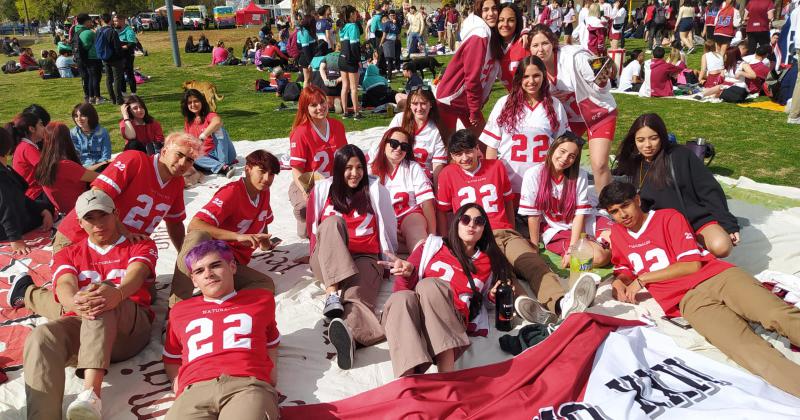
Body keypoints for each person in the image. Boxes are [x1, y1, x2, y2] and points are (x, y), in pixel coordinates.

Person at [599, 181, 800, 398]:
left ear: (637, 200)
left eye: (625, 206)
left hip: (717, 277)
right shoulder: (617, 233)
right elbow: (625, 266)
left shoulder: (667, 217)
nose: (622, 214)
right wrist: (619, 280)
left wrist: (643, 280)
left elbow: (691, 265)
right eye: (615, 212)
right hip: (686, 300)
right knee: (745, 350)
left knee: (776, 314)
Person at [13, 189, 156, 420]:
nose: (98, 224)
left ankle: (90, 396)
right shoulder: (69, 253)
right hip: (86, 329)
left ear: (115, 214)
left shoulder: (138, 243)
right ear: (80, 222)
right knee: (41, 336)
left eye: (103, 215)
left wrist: (117, 294)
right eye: (90, 218)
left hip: (129, 329)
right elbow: (64, 285)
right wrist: (75, 302)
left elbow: (137, 276)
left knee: (100, 294)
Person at [436, 129, 596, 325]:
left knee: (532, 262)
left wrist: (512, 229)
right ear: (451, 156)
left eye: (468, 151)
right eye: (457, 154)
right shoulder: (447, 174)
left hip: (502, 231)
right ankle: (525, 304)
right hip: (473, 237)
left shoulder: (496, 166)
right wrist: (448, 240)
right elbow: (445, 212)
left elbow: (508, 202)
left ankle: (561, 302)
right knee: (501, 272)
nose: (464, 158)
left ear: (478, 149)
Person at [381, 203, 511, 377]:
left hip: (452, 317)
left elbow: (483, 301)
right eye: (466, 220)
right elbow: (401, 291)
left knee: (428, 285)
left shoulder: (489, 261)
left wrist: (493, 295)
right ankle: (408, 382)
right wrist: (408, 274)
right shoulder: (431, 246)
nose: (471, 225)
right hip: (416, 316)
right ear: (456, 222)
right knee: (400, 299)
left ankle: (446, 375)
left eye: (478, 221)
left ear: (484, 229)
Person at [163, 240, 281, 419]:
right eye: (199, 271)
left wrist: (270, 375)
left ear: (232, 266)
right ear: (193, 279)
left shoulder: (260, 299)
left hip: (246, 385)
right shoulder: (179, 311)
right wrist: (178, 386)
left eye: (215, 265)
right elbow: (172, 357)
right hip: (193, 390)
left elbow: (271, 342)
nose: (208, 274)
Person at [306, 145, 396, 370]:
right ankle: (332, 296)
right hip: (328, 259)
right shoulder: (322, 190)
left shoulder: (375, 189)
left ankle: (349, 336)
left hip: (364, 257)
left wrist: (389, 257)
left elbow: (389, 226)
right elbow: (312, 229)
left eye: (359, 168)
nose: (354, 173)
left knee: (355, 295)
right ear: (337, 169)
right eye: (348, 168)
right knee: (332, 223)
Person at [613, 113, 739, 257]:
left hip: (693, 219)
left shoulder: (681, 155)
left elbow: (709, 190)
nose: (647, 145)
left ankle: (695, 246)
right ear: (634, 141)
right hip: (662, 226)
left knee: (721, 246)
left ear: (662, 137)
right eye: (640, 140)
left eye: (653, 138)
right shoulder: (633, 163)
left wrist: (728, 223)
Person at [53, 132, 201, 254]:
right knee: (82, 288)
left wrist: (185, 256)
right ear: (164, 150)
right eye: (179, 155)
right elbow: (96, 197)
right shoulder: (135, 160)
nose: (183, 163)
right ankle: (30, 289)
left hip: (119, 247)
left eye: (189, 160)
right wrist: (125, 233)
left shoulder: (177, 182)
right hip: (79, 237)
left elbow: (175, 223)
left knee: (141, 283)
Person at [169, 150, 279, 307]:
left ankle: (210, 302)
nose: (267, 179)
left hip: (232, 263)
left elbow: (264, 219)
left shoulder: (263, 192)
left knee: (265, 285)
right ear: (247, 169)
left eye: (272, 174)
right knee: (197, 236)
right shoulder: (232, 192)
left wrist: (265, 243)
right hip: (212, 256)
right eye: (262, 172)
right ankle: (176, 308)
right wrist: (237, 236)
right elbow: (195, 225)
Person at [528, 24, 617, 194]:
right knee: (559, 160)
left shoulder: (574, 57)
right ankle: (562, 199)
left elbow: (600, 73)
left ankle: (608, 207)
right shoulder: (535, 67)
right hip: (571, 119)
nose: (540, 49)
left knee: (599, 164)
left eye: (545, 43)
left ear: (553, 43)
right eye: (535, 45)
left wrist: (603, 77)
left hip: (599, 114)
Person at [480, 55, 569, 198]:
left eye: (536, 76)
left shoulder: (555, 105)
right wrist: (493, 179)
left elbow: (563, 147)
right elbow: (492, 146)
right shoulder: (504, 103)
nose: (531, 81)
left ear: (544, 76)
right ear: (519, 78)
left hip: (542, 184)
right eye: (526, 76)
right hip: (509, 184)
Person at [519, 133, 611, 268]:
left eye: (572, 156)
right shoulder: (533, 174)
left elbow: (580, 215)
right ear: (552, 148)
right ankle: (603, 250)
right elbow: (533, 215)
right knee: (599, 257)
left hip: (586, 221)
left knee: (621, 238)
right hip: (557, 228)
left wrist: (572, 248)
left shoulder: (580, 175)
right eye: (562, 151)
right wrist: (534, 247)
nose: (564, 159)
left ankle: (603, 247)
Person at [435, 0, 502, 139]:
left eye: (494, 9)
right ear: (479, 11)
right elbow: (471, 78)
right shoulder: (479, 36)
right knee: (450, 147)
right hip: (451, 99)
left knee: (483, 145)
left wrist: (525, 31)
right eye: (486, 9)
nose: (491, 13)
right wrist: (474, 109)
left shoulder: (492, 34)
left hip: (466, 101)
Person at [288, 85, 349, 239]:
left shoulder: (337, 126)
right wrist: (305, 190)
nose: (320, 107)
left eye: (322, 102)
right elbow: (296, 169)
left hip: (333, 182)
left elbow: (345, 159)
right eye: (313, 105)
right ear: (305, 108)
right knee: (305, 218)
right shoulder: (301, 132)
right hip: (309, 182)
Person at [369, 127, 435, 252]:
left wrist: (432, 236)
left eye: (404, 146)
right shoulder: (370, 170)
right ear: (384, 144)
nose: (399, 148)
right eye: (394, 143)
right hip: (381, 220)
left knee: (415, 227)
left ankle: (421, 255)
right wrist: (388, 227)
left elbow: (426, 202)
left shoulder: (412, 167)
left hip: (408, 215)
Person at [0, 128, 53, 255]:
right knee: (47, 205)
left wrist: (41, 210)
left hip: (13, 213)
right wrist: (15, 239)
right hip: (6, 227)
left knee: (45, 206)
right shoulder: (2, 177)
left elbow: (18, 196)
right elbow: (7, 208)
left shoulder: (4, 170)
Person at [380, 87, 446, 181]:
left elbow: (437, 164)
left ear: (430, 104)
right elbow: (384, 148)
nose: (419, 108)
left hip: (423, 178)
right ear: (409, 105)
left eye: (423, 103)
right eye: (415, 104)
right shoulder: (400, 119)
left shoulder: (436, 129)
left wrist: (436, 192)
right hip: (397, 171)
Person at [34, 122, 98, 215]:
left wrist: (102, 163)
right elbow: (101, 178)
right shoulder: (65, 165)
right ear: (67, 139)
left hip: (64, 211)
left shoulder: (45, 163)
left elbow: (82, 172)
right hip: (82, 210)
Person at [182, 89, 236, 176]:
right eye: (190, 102)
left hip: (224, 153)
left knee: (219, 129)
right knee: (191, 155)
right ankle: (222, 167)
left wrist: (203, 136)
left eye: (196, 101)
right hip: (206, 157)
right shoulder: (188, 122)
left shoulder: (209, 115)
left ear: (202, 102)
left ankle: (223, 163)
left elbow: (217, 122)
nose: (193, 105)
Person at [6, 111, 46, 202]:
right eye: (41, 125)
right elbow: (47, 169)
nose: (44, 128)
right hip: (36, 195)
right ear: (32, 129)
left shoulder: (24, 146)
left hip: (33, 194)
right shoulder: (27, 148)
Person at [338, 5, 363, 119]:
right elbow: (354, 46)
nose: (357, 15)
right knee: (353, 88)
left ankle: (345, 112)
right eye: (355, 13)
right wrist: (358, 60)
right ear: (351, 14)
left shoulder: (342, 26)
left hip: (342, 58)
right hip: (351, 59)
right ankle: (357, 113)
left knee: (345, 86)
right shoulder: (353, 26)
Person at [70, 102, 111, 171]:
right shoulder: (73, 133)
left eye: (82, 115)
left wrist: (95, 166)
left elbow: (106, 156)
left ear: (90, 116)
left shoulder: (103, 132)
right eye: (76, 116)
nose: (79, 119)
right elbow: (74, 157)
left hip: (100, 166)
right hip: (81, 169)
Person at [73, 13, 104, 104]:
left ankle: (90, 97)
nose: (91, 22)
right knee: (95, 78)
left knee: (88, 78)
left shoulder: (76, 30)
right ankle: (97, 97)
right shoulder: (88, 32)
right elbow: (88, 45)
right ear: (86, 21)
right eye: (90, 21)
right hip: (92, 57)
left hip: (81, 58)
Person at [96, 14, 125, 105]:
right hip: (114, 58)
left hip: (104, 57)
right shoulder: (112, 32)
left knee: (108, 78)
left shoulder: (98, 31)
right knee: (117, 79)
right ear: (110, 20)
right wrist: (121, 56)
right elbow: (117, 47)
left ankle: (112, 99)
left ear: (102, 20)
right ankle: (119, 99)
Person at [497, 3, 526, 91]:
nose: (505, 24)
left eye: (511, 20)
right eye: (501, 20)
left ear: (517, 22)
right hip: (513, 97)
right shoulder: (491, 45)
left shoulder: (525, 42)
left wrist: (527, 32)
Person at [114, 14, 138, 96]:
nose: (115, 23)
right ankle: (123, 92)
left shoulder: (129, 30)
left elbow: (132, 43)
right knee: (120, 74)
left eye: (116, 21)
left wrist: (123, 47)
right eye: (114, 21)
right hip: (119, 56)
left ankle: (133, 93)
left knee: (129, 73)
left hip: (127, 56)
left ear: (122, 20)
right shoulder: (116, 30)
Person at [380, 9, 401, 80]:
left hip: (386, 42)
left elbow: (384, 36)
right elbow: (398, 36)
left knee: (385, 59)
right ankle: (388, 75)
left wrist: (380, 43)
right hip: (393, 42)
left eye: (393, 15)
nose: (392, 16)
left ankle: (387, 76)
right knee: (389, 60)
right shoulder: (395, 25)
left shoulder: (386, 24)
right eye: (391, 15)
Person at [297, 14, 317, 85]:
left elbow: (299, 47)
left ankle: (311, 95)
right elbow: (305, 50)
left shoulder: (307, 32)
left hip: (309, 59)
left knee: (311, 79)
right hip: (306, 60)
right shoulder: (304, 33)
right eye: (314, 22)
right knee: (307, 79)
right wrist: (310, 63)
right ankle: (305, 96)